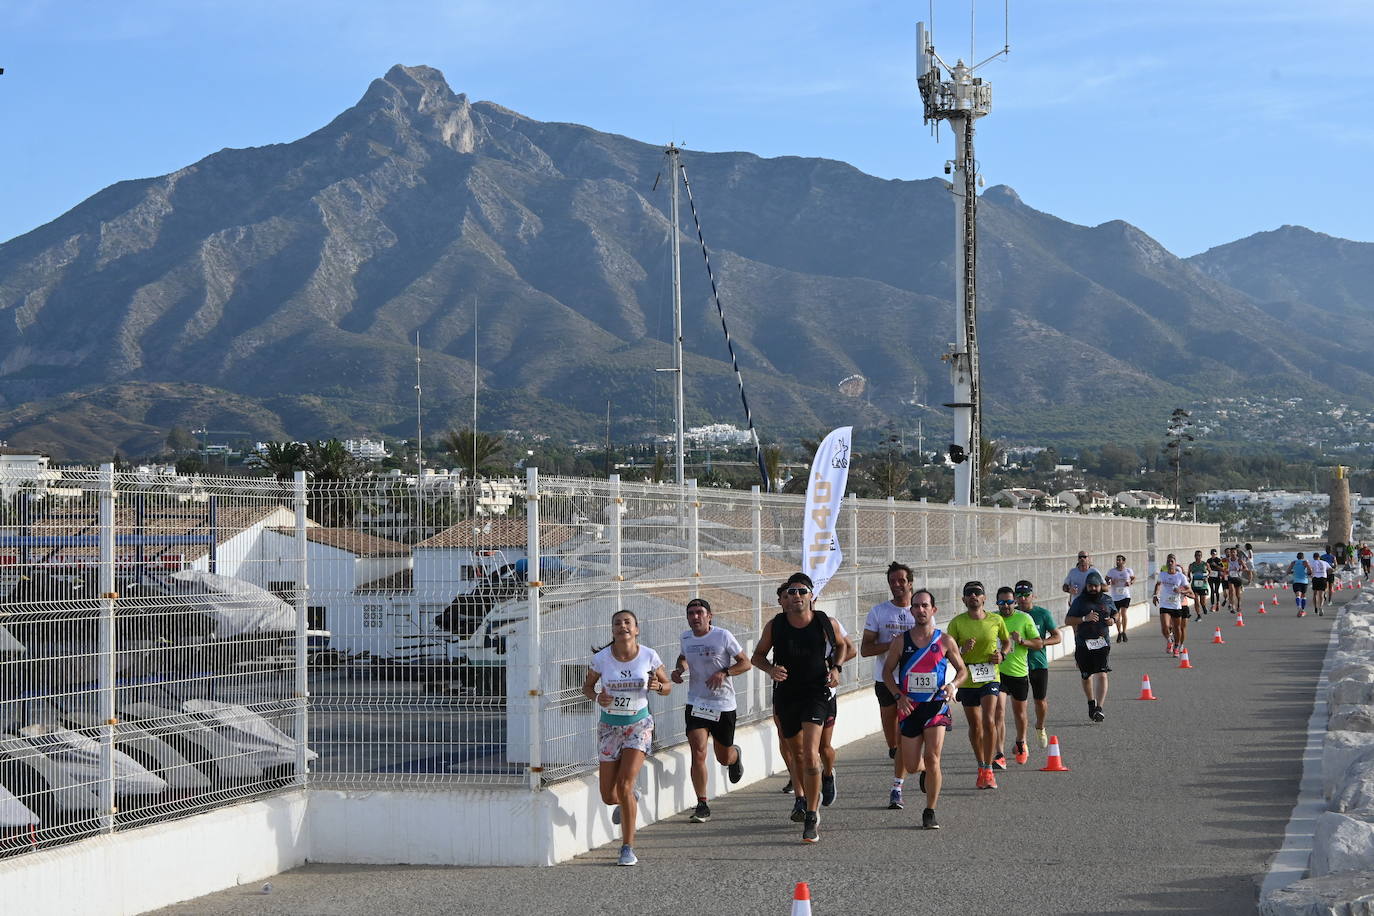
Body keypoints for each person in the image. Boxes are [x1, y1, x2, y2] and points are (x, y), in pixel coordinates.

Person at [752, 573, 844, 844]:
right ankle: (801, 799)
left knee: (812, 753)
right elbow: (757, 656)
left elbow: (842, 646)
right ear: (785, 598)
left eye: (802, 591)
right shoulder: (775, 625)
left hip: (816, 692)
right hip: (787, 695)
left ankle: (812, 814)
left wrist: (836, 669)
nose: (796, 596)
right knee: (797, 755)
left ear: (811, 596)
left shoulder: (825, 622)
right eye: (791, 592)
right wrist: (771, 669)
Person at [582, 609, 671, 866]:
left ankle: (627, 848)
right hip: (610, 727)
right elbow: (587, 687)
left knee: (624, 785)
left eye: (628, 622)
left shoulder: (649, 656)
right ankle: (631, 799)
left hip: (638, 725)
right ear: (612, 631)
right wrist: (598, 697)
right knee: (609, 796)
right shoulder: (601, 659)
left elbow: (667, 687)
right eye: (617, 623)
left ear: (636, 629)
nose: (623, 626)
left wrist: (659, 686)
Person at [882, 588, 968, 830]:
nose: (920, 610)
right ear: (911, 611)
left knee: (933, 758)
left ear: (933, 610)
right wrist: (898, 696)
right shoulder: (901, 641)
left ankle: (930, 810)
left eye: (925, 606)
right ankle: (924, 772)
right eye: (916, 606)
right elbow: (887, 672)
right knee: (911, 765)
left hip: (936, 706)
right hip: (909, 707)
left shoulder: (945, 641)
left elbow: (963, 671)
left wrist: (952, 685)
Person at [670, 597, 750, 823]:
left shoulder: (723, 636)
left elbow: (745, 662)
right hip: (697, 702)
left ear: (709, 616)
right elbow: (683, 657)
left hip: (723, 704)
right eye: (691, 613)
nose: (695, 617)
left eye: (699, 613)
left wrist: (724, 672)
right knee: (698, 751)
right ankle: (702, 803)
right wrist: (679, 670)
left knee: (722, 757)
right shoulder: (685, 637)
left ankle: (735, 757)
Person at [860, 562, 917, 808]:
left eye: (901, 580)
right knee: (894, 741)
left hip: (914, 682)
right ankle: (906, 759)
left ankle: (897, 787)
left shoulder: (921, 609)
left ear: (910, 582)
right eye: (892, 581)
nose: (897, 585)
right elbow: (865, 649)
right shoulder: (879, 612)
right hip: (886, 680)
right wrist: (892, 645)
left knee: (907, 734)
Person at [945, 580, 1010, 789]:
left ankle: (990, 769)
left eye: (977, 593)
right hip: (968, 676)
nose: (973, 596)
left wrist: (1002, 654)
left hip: (990, 675)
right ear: (964, 599)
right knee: (975, 725)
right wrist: (962, 649)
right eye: (969, 594)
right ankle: (981, 765)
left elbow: (1007, 642)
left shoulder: (996, 620)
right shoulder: (956, 623)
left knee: (989, 720)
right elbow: (949, 653)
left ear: (984, 598)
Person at [991, 585, 1040, 768]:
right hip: (998, 673)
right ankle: (999, 754)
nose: (1006, 606)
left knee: (1020, 713)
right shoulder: (992, 619)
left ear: (1015, 602)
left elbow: (1038, 643)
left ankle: (1021, 742)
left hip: (1019, 673)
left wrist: (1022, 641)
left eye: (1009, 602)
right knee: (999, 711)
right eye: (1002, 602)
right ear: (997, 603)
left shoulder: (1024, 618)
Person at [1013, 579, 1061, 748]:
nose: (1023, 598)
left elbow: (1057, 636)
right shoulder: (1011, 614)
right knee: (1020, 705)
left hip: (1038, 663)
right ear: (1015, 597)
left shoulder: (1042, 613)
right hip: (1017, 666)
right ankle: (1022, 741)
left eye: (1026, 595)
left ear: (1033, 595)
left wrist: (1042, 643)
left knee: (1039, 701)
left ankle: (1040, 726)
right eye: (1019, 595)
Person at [1065, 571, 1115, 723]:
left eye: (1096, 586)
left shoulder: (1107, 600)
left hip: (1102, 642)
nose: (1093, 588)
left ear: (1101, 586)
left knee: (1102, 672)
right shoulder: (1080, 601)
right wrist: (1083, 619)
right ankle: (1090, 702)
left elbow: (1115, 613)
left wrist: (1112, 620)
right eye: (1090, 586)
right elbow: (1068, 620)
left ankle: (1099, 708)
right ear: (1086, 586)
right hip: (1083, 643)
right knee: (1086, 675)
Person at [1153, 554, 1193, 657]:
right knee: (1165, 627)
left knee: (1177, 628)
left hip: (1176, 605)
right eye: (1168, 561)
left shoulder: (1180, 576)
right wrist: (1155, 595)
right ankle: (1169, 639)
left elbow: (1188, 589)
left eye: (1172, 561)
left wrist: (1180, 590)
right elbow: (1158, 585)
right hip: (1165, 604)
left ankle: (1176, 646)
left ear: (1175, 563)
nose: (1170, 563)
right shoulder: (1162, 574)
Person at [1104, 555, 1136, 642]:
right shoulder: (1112, 571)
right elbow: (1106, 579)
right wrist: (1110, 582)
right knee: (1117, 615)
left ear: (1124, 562)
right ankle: (1119, 632)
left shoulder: (1128, 570)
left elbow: (1133, 578)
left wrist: (1130, 582)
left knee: (1123, 612)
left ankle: (1124, 632)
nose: (1117, 562)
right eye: (1117, 560)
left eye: (1119, 560)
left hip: (1125, 595)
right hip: (1115, 596)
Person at [1187, 550, 1211, 622]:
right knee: (1196, 600)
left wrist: (1207, 577)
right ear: (1194, 556)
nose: (1198, 557)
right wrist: (1190, 578)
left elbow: (1210, 572)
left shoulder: (1205, 564)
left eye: (1199, 555)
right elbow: (1189, 573)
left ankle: (1203, 606)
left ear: (1201, 556)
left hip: (1203, 585)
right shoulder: (1192, 565)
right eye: (1197, 555)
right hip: (1195, 585)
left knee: (1202, 602)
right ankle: (1198, 615)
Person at [1225, 546, 1249, 613]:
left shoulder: (1239, 560)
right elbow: (1224, 567)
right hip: (1230, 577)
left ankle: (1238, 604)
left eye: (1234, 552)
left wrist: (1239, 569)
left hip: (1238, 578)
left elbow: (1246, 568)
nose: (1232, 553)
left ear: (1236, 553)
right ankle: (1233, 607)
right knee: (1231, 592)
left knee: (1237, 594)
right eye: (1231, 552)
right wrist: (1226, 570)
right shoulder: (1227, 560)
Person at [1309, 550, 1331, 616]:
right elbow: (1331, 569)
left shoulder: (1312, 562)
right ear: (1319, 557)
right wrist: (1328, 573)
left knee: (1315, 594)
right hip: (1323, 578)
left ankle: (1315, 607)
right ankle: (1321, 607)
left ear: (1313, 557)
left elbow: (1309, 570)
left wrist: (1310, 574)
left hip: (1315, 578)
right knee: (1321, 594)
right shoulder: (1324, 562)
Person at [1206, 548, 1226, 613]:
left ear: (1216, 554)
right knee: (1212, 590)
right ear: (1211, 554)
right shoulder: (1208, 560)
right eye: (1212, 554)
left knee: (1216, 590)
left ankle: (1218, 603)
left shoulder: (1218, 560)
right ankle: (1212, 605)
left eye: (1214, 554)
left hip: (1217, 576)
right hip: (1211, 576)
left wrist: (1216, 565)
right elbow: (1207, 567)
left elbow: (1222, 568)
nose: (1213, 555)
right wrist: (1208, 569)